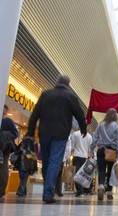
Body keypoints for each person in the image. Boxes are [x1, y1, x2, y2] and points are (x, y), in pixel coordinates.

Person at [27, 75, 87, 203]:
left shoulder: (46, 94)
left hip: (44, 133)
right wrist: (83, 129)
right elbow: (80, 114)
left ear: (57, 82)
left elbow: (35, 113)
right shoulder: (70, 97)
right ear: (68, 84)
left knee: (47, 162)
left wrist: (30, 132)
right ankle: (48, 193)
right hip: (60, 134)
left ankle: (47, 190)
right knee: (55, 162)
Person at [90, 108, 118, 201]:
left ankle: (100, 186)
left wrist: (91, 149)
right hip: (112, 151)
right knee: (111, 172)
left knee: (102, 170)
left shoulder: (101, 125)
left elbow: (95, 137)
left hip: (101, 150)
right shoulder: (117, 125)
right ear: (115, 116)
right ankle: (109, 192)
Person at [0, 105, 19, 198]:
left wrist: (4, 136)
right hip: (4, 148)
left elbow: (16, 133)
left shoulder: (7, 121)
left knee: (3, 169)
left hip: (4, 149)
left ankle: (1, 190)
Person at [71, 129, 92, 197]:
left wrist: (70, 154)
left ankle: (79, 190)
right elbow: (90, 149)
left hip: (76, 156)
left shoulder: (75, 134)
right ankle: (83, 190)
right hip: (85, 157)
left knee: (76, 173)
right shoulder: (89, 136)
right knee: (83, 174)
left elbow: (72, 146)